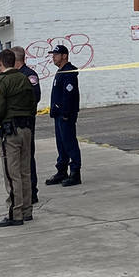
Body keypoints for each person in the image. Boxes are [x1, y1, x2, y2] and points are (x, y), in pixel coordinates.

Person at [0, 48, 36, 227]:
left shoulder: (1, 82)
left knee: (11, 173)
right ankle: (27, 210)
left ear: (0, 63)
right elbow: (32, 103)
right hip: (26, 128)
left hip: (10, 132)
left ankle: (15, 213)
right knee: (25, 171)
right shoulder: (24, 79)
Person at [45, 44, 81, 187]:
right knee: (61, 144)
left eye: (56, 54)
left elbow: (69, 94)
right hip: (58, 114)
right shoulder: (61, 71)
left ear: (64, 56)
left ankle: (75, 173)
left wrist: (65, 113)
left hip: (66, 115)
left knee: (70, 143)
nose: (53, 57)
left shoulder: (69, 72)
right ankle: (61, 171)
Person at [12, 45, 41, 202]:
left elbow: (35, 97)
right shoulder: (14, 75)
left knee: (28, 156)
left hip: (27, 121)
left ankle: (32, 191)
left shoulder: (29, 75)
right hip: (16, 122)